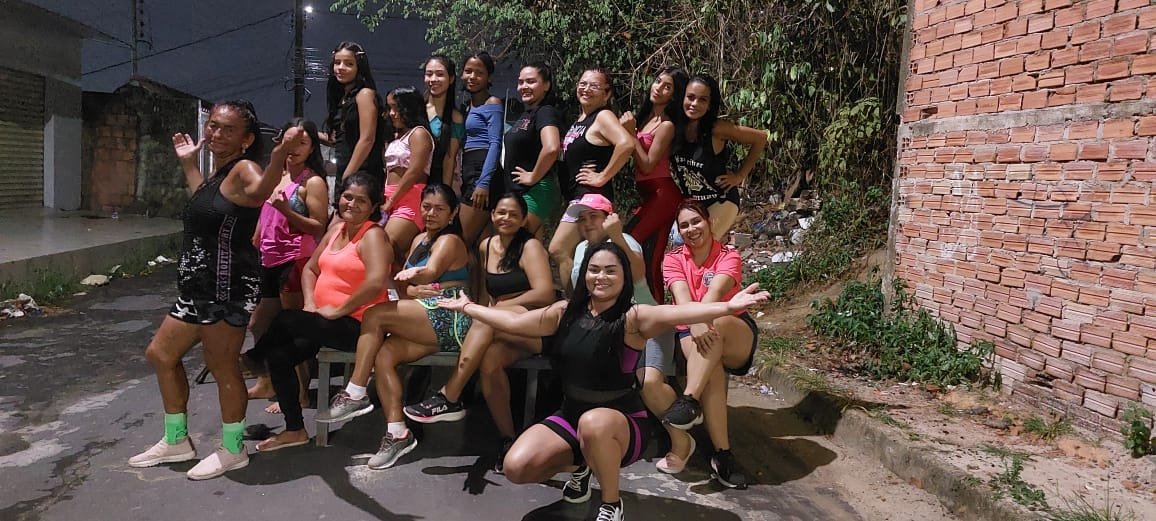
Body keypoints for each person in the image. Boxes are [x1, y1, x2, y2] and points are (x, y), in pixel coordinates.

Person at [437, 242, 770, 521]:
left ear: (624, 278)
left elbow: (676, 313)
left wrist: (727, 306)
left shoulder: (633, 317)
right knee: (516, 467)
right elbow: (513, 322)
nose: (601, 277)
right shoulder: (564, 312)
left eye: (611, 271)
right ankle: (582, 465)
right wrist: (468, 308)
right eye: (594, 269)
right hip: (571, 416)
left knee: (594, 423)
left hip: (622, 423)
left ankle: (611, 504)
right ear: (584, 274)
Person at [128, 100, 303, 480]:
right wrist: (189, 164)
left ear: (246, 140)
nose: (215, 133)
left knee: (223, 366)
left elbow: (261, 191)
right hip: (198, 286)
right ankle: (176, 440)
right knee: (161, 353)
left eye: (227, 129)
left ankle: (233, 448)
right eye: (212, 125)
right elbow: (205, 207)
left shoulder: (245, 169)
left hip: (227, 287)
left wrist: (278, 157)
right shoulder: (218, 173)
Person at [316, 183, 472, 470]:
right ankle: (397, 432)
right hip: (422, 317)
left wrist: (416, 279)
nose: (431, 213)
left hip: (449, 317)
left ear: (452, 214)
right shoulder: (419, 239)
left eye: (439, 209)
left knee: (375, 315)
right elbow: (402, 285)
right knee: (385, 355)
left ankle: (355, 391)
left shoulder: (450, 240)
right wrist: (411, 287)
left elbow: (428, 273)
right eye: (426, 207)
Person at [403, 193, 555, 468]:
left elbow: (544, 293)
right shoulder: (486, 246)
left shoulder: (530, 247)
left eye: (513, 214)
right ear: (492, 215)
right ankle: (508, 440)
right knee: (489, 361)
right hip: (503, 328)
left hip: (534, 325)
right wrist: (483, 309)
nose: (506, 218)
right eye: (501, 212)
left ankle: (450, 396)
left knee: (484, 320)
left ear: (523, 220)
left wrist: (497, 309)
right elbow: (485, 295)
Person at [241, 173, 390, 451]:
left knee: (285, 318)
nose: (352, 204)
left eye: (361, 201)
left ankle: (253, 359)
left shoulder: (373, 235)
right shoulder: (336, 231)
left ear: (373, 206)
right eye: (348, 197)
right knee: (280, 356)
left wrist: (338, 310)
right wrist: (310, 303)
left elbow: (376, 282)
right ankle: (295, 429)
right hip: (324, 320)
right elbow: (310, 269)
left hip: (357, 326)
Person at [565, 194, 690, 475]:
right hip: (608, 330)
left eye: (594, 217)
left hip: (645, 324)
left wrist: (617, 236)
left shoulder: (625, 242)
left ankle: (682, 438)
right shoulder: (582, 249)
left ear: (610, 218)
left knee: (650, 383)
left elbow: (638, 273)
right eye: (582, 219)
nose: (587, 223)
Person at [661, 200, 760, 489]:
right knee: (711, 365)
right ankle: (722, 455)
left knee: (719, 324)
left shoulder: (729, 255)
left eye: (696, 221)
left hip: (733, 330)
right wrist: (695, 321)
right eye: (684, 225)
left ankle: (689, 400)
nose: (691, 229)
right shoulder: (673, 259)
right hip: (692, 332)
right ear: (679, 231)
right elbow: (681, 297)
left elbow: (716, 293)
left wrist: (698, 319)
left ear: (710, 222)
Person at [246, 118, 330, 411]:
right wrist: (258, 232)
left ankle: (300, 393)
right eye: (289, 142)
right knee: (259, 324)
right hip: (269, 259)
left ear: (312, 148)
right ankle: (268, 381)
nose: (294, 148)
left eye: (302, 143)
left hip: (294, 261)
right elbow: (265, 211)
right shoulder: (276, 175)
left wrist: (286, 211)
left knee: (292, 331)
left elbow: (318, 226)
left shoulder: (312, 182)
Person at [547, 68, 633, 293]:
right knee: (587, 254)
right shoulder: (581, 120)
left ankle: (574, 303)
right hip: (579, 198)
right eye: (583, 83)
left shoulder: (603, 116)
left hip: (592, 198)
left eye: (594, 86)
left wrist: (602, 176)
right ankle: (583, 300)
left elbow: (626, 143)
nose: (586, 89)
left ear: (606, 94)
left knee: (558, 248)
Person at [620, 67, 688, 302]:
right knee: (650, 258)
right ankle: (653, 309)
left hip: (662, 195)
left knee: (627, 241)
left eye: (667, 86)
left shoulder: (666, 125)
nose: (658, 88)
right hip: (649, 195)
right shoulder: (645, 119)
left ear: (674, 95)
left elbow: (648, 165)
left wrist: (631, 135)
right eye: (658, 81)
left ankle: (654, 311)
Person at [671, 74, 767, 240]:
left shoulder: (716, 129)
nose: (695, 104)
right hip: (693, 204)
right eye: (691, 97)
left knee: (700, 242)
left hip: (720, 200)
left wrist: (739, 176)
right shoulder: (675, 128)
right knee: (679, 241)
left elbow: (760, 138)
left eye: (702, 100)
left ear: (709, 105)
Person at [503, 61, 562, 239]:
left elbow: (552, 147)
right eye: (520, 82)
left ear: (546, 85)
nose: (524, 86)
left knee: (514, 240)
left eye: (531, 81)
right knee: (530, 247)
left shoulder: (545, 112)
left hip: (536, 190)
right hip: (519, 192)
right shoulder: (526, 114)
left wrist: (533, 176)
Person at [381, 86, 435, 267]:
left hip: (409, 198)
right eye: (390, 108)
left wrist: (392, 201)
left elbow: (415, 171)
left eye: (396, 108)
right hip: (390, 198)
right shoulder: (398, 135)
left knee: (387, 246)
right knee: (391, 256)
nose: (392, 113)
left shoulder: (419, 133)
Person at [323, 42, 384, 189]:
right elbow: (339, 139)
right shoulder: (342, 98)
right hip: (346, 172)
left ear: (359, 67)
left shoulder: (365, 94)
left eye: (349, 64)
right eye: (337, 63)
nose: (341, 67)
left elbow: (367, 139)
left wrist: (347, 177)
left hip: (361, 176)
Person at [459, 51, 504, 244]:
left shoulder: (492, 103)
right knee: (480, 246)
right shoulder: (466, 107)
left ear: (489, 78)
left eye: (479, 73)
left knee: (460, 240)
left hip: (482, 172)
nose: (472, 77)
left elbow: (495, 143)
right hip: (470, 171)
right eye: (468, 71)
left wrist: (483, 183)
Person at [424, 55, 465, 187]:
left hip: (434, 186)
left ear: (451, 79)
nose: (433, 79)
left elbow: (449, 159)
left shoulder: (455, 117)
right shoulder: (416, 110)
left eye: (440, 74)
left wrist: (445, 192)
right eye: (429, 74)